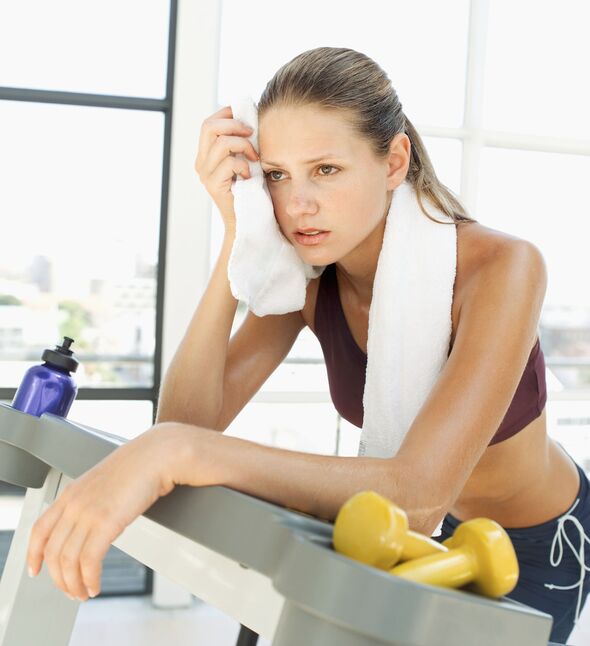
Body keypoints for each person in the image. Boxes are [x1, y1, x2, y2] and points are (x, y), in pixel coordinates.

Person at [26, 47, 590, 644]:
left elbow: (421, 496)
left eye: (325, 170)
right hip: (391, 535)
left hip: (529, 549)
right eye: (276, 175)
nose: (297, 206)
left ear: (395, 160)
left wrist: (174, 451)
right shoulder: (308, 275)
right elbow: (190, 420)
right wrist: (239, 235)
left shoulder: (503, 267)